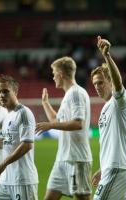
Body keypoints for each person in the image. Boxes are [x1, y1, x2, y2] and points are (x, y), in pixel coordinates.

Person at [36, 56, 92, 200]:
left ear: (61, 74)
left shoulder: (76, 93)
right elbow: (56, 120)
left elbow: (78, 123)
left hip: (77, 159)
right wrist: (45, 104)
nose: (53, 77)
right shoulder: (69, 95)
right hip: (62, 160)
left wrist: (51, 126)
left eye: (54, 73)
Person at [0, 75, 39, 200]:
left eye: (5, 91)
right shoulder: (8, 116)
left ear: (15, 92)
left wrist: (3, 164)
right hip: (6, 180)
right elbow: (5, 144)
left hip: (22, 180)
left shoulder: (24, 113)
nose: (1, 95)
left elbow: (27, 145)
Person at [90, 36, 126, 200]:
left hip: (117, 170)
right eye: (94, 84)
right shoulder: (105, 108)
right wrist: (104, 168)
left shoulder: (119, 101)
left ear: (110, 82)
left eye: (100, 82)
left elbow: (119, 82)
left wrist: (107, 56)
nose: (97, 87)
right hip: (114, 169)